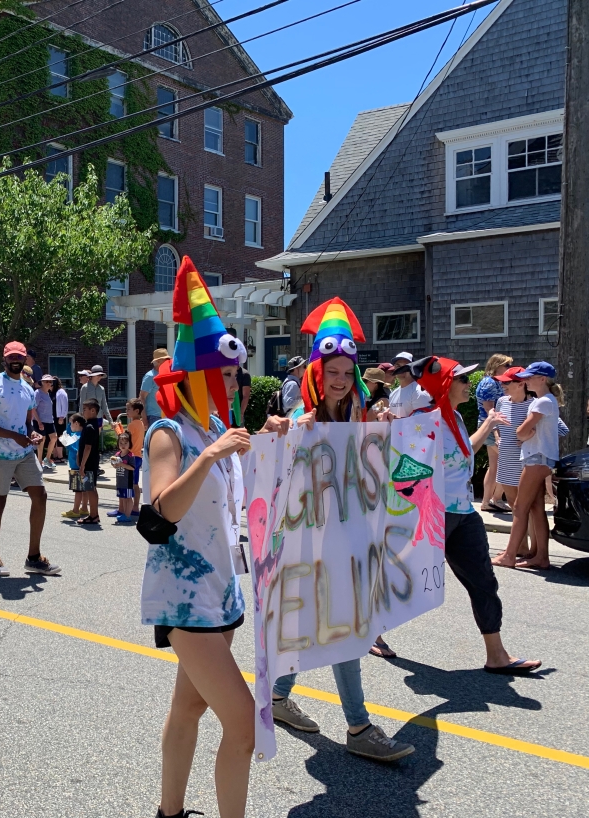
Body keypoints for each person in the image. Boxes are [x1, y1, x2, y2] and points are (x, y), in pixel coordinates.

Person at [142, 257, 276, 818]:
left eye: (233, 374)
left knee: (188, 709)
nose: (232, 381)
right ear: (196, 373)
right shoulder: (168, 433)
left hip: (220, 595)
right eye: (222, 374)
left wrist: (275, 435)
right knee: (243, 727)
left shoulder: (217, 429)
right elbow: (157, 515)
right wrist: (212, 457)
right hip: (184, 603)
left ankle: (169, 812)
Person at [271, 297, 414, 762]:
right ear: (316, 372)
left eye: (344, 372)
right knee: (343, 628)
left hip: (348, 539)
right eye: (330, 370)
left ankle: (276, 698)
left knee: (320, 625)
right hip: (309, 542)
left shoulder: (356, 415)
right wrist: (287, 431)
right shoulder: (303, 416)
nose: (338, 379)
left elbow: (370, 471)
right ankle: (358, 725)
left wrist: (381, 429)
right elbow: (277, 468)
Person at [406, 356, 542, 674]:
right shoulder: (423, 420)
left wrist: (489, 423)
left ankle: (496, 655)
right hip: (435, 515)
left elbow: (464, 452)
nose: (469, 384)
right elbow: (410, 466)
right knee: (406, 579)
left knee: (483, 581)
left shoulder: (452, 415)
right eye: (463, 379)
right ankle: (372, 632)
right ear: (444, 383)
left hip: (463, 512)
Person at [0, 342, 58, 577]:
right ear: (5, 359)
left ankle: (33, 557)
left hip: (23, 452)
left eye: (19, 357)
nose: (15, 360)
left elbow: (27, 423)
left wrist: (31, 433)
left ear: (25, 360)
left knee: (40, 495)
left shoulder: (27, 389)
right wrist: (14, 435)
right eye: (11, 356)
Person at [492, 362, 563, 571]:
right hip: (540, 459)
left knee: (519, 508)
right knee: (536, 508)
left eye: (530, 377)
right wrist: (527, 434)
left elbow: (521, 432)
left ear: (542, 379)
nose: (526, 380)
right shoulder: (546, 400)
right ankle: (539, 556)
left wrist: (526, 435)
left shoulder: (542, 402)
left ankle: (510, 555)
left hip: (535, 459)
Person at [478, 354, 513, 512]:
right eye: (506, 365)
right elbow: (489, 410)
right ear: (496, 365)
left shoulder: (496, 382)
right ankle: (496, 499)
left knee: (495, 466)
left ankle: (488, 502)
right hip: (492, 427)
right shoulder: (489, 383)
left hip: (495, 426)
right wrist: (497, 434)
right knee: (509, 462)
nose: (508, 368)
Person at [75, 400, 101, 525]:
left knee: (90, 489)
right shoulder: (90, 424)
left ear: (93, 411)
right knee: (90, 488)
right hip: (89, 461)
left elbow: (88, 447)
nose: (83, 411)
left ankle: (94, 515)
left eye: (85, 409)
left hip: (89, 462)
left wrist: (83, 465)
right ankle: (94, 515)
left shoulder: (91, 426)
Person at [386, 351, 431, 419]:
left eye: (405, 366)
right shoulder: (393, 394)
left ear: (413, 368)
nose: (401, 369)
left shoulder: (419, 392)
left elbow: (424, 421)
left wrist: (398, 420)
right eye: (398, 365)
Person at [62, 414, 86, 519]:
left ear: (76, 423)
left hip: (76, 466)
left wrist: (68, 446)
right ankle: (84, 508)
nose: (70, 425)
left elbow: (78, 452)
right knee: (84, 489)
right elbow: (68, 430)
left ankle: (75, 510)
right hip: (80, 466)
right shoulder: (80, 434)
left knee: (78, 490)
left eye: (71, 423)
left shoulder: (77, 437)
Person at [125, 399, 146, 512]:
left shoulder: (132, 425)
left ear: (136, 411)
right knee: (135, 483)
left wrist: (117, 430)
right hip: (138, 456)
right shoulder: (141, 423)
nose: (126, 411)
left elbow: (124, 441)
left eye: (129, 409)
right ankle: (135, 506)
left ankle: (127, 508)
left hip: (130, 456)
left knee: (128, 483)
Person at [139, 348, 170, 425]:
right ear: (158, 361)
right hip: (153, 417)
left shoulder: (166, 375)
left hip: (166, 416)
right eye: (166, 360)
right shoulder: (150, 376)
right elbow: (141, 398)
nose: (168, 362)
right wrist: (144, 419)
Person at [111, 432, 136, 522]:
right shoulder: (118, 454)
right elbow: (116, 465)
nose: (123, 445)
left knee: (128, 498)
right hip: (120, 480)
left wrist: (122, 464)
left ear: (130, 444)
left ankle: (127, 515)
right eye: (121, 443)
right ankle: (123, 513)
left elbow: (132, 468)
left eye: (126, 443)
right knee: (122, 497)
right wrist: (115, 464)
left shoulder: (130, 455)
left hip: (127, 481)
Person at [35, 375, 58, 470]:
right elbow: (33, 409)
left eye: (50, 382)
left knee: (54, 438)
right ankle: (39, 462)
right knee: (41, 440)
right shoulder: (38, 393)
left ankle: (47, 459)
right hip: (40, 420)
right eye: (47, 381)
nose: (49, 383)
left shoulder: (48, 394)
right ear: (42, 382)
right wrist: (39, 422)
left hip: (49, 420)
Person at [52, 377, 69, 463]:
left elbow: (65, 406)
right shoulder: (50, 392)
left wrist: (62, 417)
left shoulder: (61, 392)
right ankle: (54, 456)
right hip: (51, 418)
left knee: (60, 436)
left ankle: (60, 456)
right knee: (53, 437)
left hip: (59, 418)